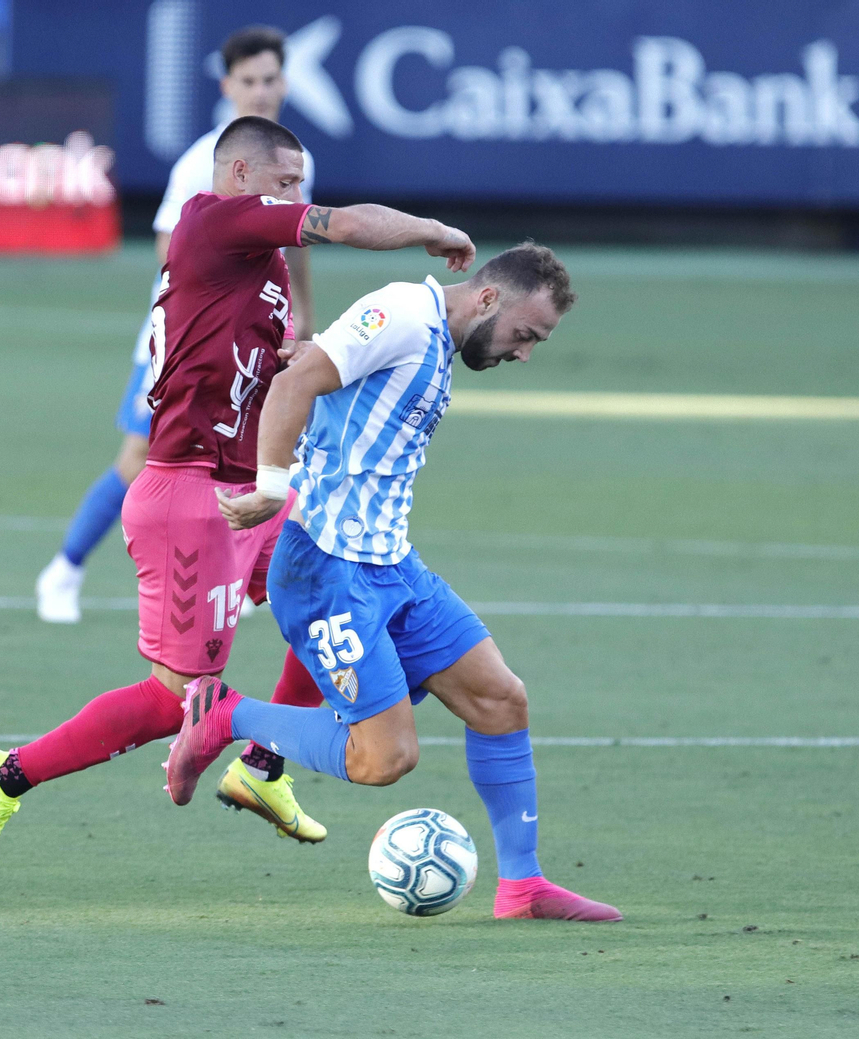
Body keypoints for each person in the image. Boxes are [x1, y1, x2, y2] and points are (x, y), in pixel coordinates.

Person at [0, 115, 475, 874]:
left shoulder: (262, 268)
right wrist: (432, 230)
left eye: (299, 185)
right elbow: (343, 224)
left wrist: (300, 360)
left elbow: (252, 369)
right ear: (240, 176)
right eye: (285, 182)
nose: (295, 197)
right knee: (176, 699)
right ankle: (7, 776)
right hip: (189, 499)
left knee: (328, 579)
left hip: (244, 494)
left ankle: (263, 767)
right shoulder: (213, 221)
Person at [166, 243, 622, 922]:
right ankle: (226, 715)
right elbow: (294, 384)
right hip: (327, 570)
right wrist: (272, 486)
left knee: (501, 700)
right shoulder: (404, 313)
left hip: (391, 565)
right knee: (383, 759)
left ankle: (523, 887)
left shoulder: (435, 341)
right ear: (488, 298)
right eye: (525, 334)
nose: (524, 353)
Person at [35, 25, 316, 625]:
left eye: (270, 79)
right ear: (227, 86)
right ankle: (64, 568)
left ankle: (239, 575)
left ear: (285, 83)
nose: (261, 91)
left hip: (252, 344)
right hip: (183, 346)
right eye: (249, 80)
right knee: (140, 457)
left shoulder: (292, 160)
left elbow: (295, 242)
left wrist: (302, 319)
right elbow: (172, 248)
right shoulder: (202, 163)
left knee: (249, 454)